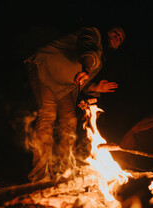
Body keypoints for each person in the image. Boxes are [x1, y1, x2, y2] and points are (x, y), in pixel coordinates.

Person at [25, 26, 125, 182]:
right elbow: (87, 49)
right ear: (108, 32)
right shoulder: (94, 34)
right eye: (115, 33)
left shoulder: (101, 60)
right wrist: (86, 67)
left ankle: (63, 172)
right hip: (46, 68)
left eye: (120, 38)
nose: (117, 37)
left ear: (118, 46)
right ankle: (40, 175)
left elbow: (82, 82)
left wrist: (96, 87)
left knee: (69, 121)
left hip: (65, 86)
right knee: (47, 116)